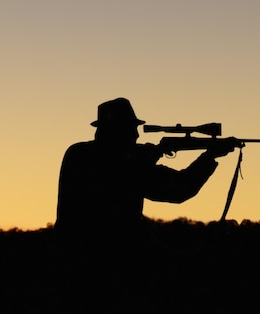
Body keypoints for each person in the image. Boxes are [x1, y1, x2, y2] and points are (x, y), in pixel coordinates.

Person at [55, 97, 235, 237]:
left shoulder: (77, 152)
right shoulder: (112, 161)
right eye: (130, 129)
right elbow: (179, 189)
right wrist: (209, 157)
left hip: (72, 251)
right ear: (116, 130)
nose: (135, 135)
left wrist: (148, 156)